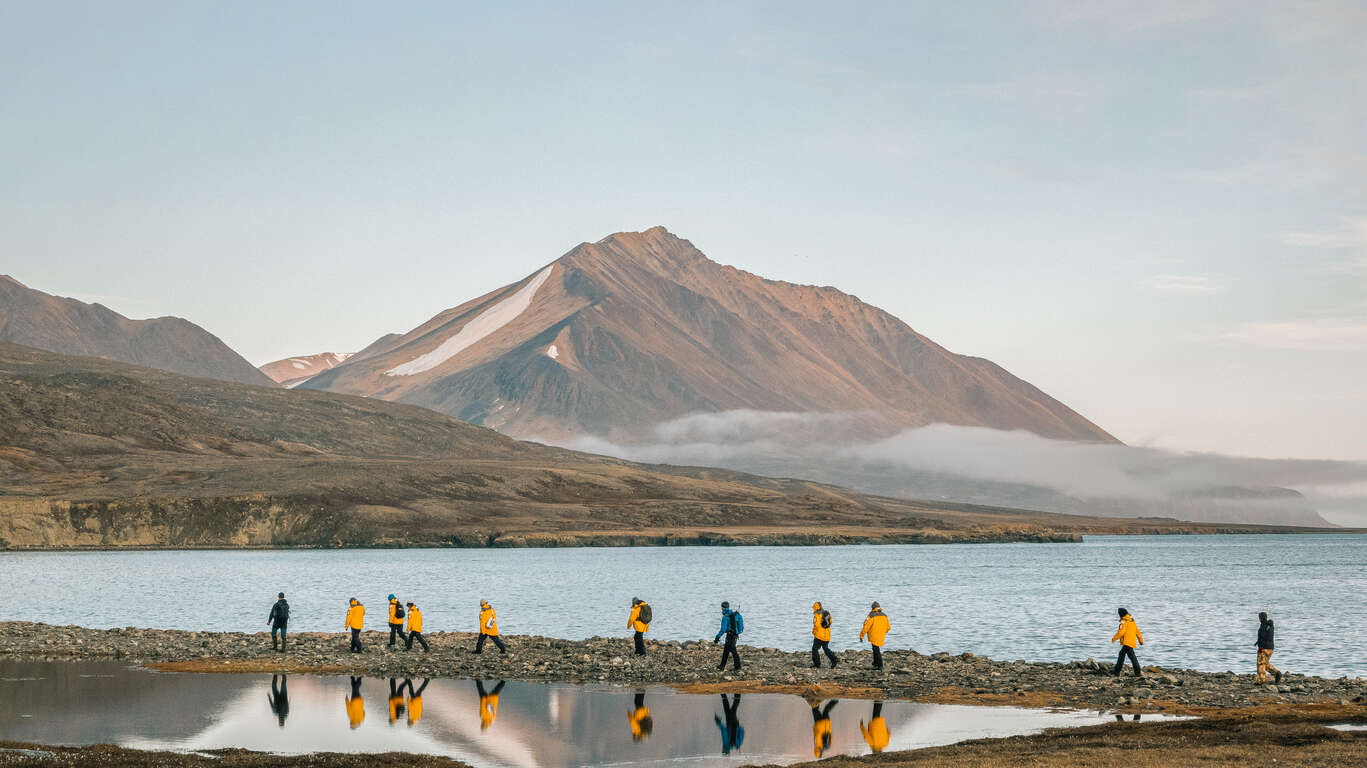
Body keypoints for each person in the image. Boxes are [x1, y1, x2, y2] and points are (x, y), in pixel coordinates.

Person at [1111, 607, 1144, 677]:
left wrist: (1114, 638)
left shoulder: (1124, 621)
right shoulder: (1132, 621)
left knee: (1129, 656)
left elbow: (1121, 632)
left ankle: (1117, 672)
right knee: (1124, 655)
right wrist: (1141, 640)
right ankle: (1117, 671)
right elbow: (1137, 632)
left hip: (1127, 642)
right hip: (1131, 641)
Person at [859, 602, 891, 669]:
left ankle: (880, 665)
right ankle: (875, 662)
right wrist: (883, 632)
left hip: (873, 635)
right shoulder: (884, 615)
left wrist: (861, 636)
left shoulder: (871, 615)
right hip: (881, 634)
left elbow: (866, 627)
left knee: (876, 649)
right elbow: (888, 627)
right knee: (875, 648)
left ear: (873, 608)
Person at [713, 601, 743, 671]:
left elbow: (723, 630)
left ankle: (738, 667)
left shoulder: (725, 617)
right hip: (735, 635)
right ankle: (722, 666)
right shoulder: (734, 614)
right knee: (726, 650)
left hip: (730, 635)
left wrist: (717, 638)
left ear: (722, 608)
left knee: (734, 652)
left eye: (721, 607)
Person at [1256, 611, 1282, 685]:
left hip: (1264, 647)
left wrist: (1260, 647)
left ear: (1260, 618)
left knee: (1261, 664)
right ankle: (1277, 674)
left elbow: (1263, 637)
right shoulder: (1270, 625)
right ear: (1266, 617)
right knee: (1265, 663)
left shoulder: (1263, 625)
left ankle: (1261, 681)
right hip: (1271, 648)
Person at [811, 601, 837, 668]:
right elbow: (830, 622)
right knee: (825, 648)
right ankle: (834, 659)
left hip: (819, 636)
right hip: (827, 636)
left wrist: (814, 632)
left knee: (814, 649)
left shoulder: (817, 615)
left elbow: (816, 626)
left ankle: (817, 664)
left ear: (816, 608)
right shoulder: (827, 613)